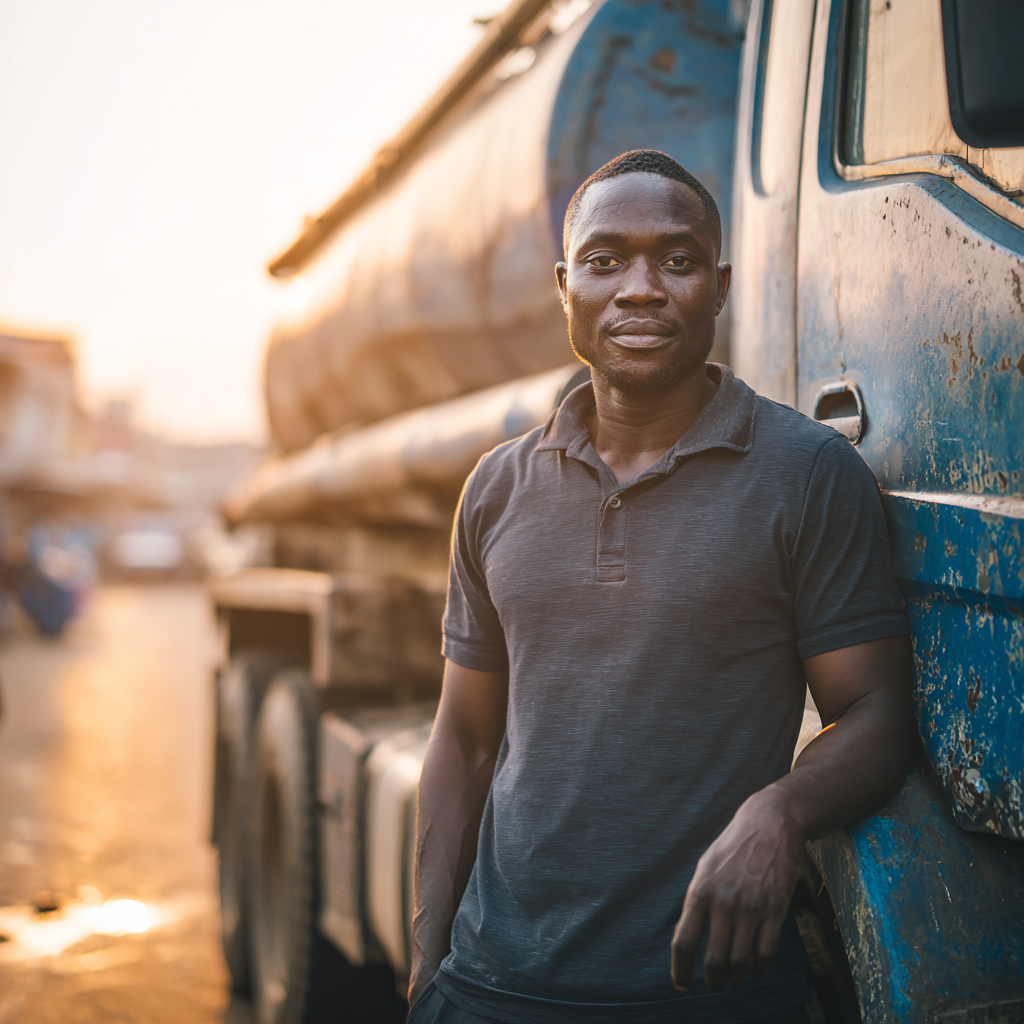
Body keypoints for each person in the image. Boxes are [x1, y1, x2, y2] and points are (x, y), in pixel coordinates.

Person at [408, 150, 912, 1023]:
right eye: (605, 262)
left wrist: (780, 812)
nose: (639, 288)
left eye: (675, 261)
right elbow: (462, 738)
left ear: (718, 287)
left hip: (711, 997)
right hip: (489, 992)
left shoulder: (808, 474)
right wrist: (427, 965)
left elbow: (875, 714)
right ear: (566, 287)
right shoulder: (496, 488)